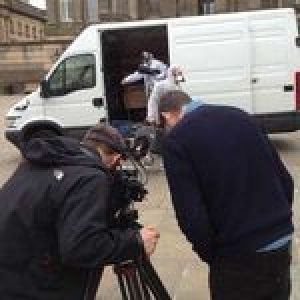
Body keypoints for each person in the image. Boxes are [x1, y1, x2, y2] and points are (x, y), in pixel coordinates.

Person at [158, 90, 294, 300]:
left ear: (167, 115)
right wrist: (278, 223)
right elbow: (285, 181)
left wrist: (214, 255)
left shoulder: (177, 139)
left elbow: (192, 217)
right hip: (280, 243)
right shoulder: (242, 117)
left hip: (238, 255)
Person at [0, 125, 160, 299]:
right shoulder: (89, 176)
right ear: (115, 158)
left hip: (14, 272)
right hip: (36, 287)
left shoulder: (45, 160)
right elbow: (81, 248)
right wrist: (135, 242)